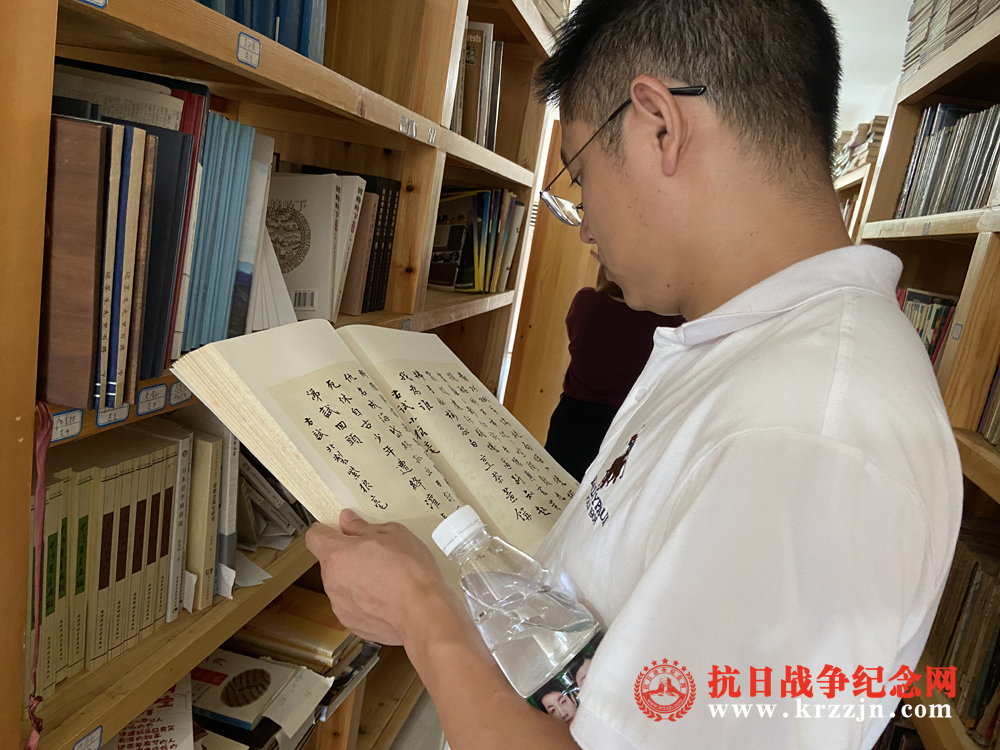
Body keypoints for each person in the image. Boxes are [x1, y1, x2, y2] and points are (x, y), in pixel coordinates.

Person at [304, 1, 962, 748]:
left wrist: (424, 615)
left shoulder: (808, 434)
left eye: (580, 175)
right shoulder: (745, 349)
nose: (585, 223)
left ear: (658, 125)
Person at [545, 266, 683, 480]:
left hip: (571, 416)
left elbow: (575, 333)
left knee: (552, 482)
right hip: (620, 423)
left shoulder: (585, 301)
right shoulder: (667, 323)